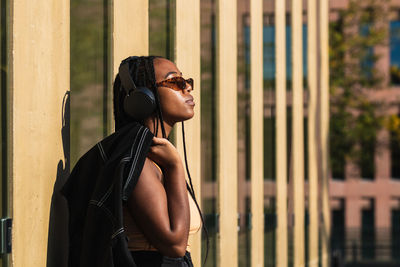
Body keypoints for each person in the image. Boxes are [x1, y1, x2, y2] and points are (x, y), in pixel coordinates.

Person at [113, 56, 204, 267]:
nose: (188, 87)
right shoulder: (139, 162)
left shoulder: (155, 160)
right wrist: (174, 166)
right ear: (143, 98)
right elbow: (174, 246)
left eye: (187, 81)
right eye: (175, 82)